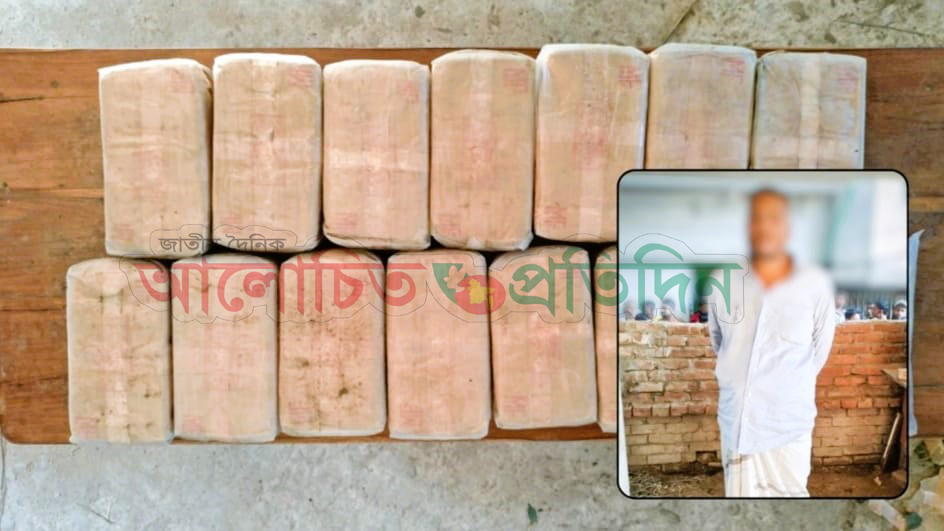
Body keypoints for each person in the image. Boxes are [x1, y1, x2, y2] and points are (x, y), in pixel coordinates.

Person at [706, 188, 835, 498]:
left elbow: (819, 349)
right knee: (739, 502)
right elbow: (720, 342)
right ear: (747, 226)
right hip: (738, 422)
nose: (764, 227)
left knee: (790, 501)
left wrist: (784, 386)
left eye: (774, 218)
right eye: (757, 219)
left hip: (787, 424)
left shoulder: (815, 285)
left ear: (788, 227)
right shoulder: (724, 281)